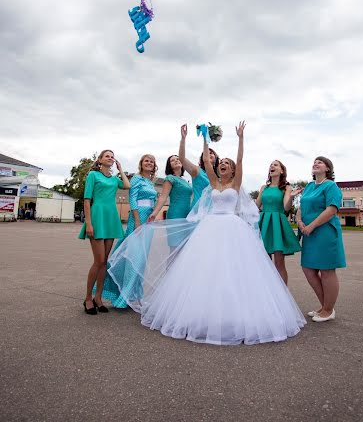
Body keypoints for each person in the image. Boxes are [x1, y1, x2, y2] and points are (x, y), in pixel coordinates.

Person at [108, 123, 305, 345]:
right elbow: (204, 162)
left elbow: (240, 160)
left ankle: (233, 311)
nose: (223, 165)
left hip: (231, 228)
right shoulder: (212, 182)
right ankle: (203, 310)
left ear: (232, 170)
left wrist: (240, 138)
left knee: (232, 269)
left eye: (226, 164)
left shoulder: (236, 182)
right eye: (221, 163)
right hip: (210, 227)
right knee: (205, 269)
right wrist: (202, 140)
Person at [101, 154, 158, 308]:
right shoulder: (137, 179)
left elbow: (153, 201)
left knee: (141, 261)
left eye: (152, 162)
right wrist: (137, 221)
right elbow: (132, 199)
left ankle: (134, 295)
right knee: (135, 259)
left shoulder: (150, 182)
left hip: (149, 221)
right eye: (146, 161)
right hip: (138, 219)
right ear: (141, 163)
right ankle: (123, 297)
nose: (149, 163)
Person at [78, 150, 130, 315]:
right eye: (107, 155)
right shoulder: (93, 175)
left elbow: (127, 186)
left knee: (105, 261)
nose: (110, 158)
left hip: (111, 218)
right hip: (97, 216)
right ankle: (87, 298)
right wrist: (88, 223)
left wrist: (120, 169)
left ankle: (98, 298)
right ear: (100, 160)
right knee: (98, 261)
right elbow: (87, 200)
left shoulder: (115, 179)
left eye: (112, 156)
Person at [297, 156, 346, 322]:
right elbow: (301, 207)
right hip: (309, 233)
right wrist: (300, 222)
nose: (316, 163)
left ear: (327, 168)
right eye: (314, 162)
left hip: (324, 231)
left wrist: (311, 226)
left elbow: (332, 209)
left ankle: (328, 309)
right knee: (308, 269)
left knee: (326, 270)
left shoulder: (331, 186)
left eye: (320, 162)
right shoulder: (309, 186)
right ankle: (325, 305)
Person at [256, 160, 302, 284]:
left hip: (277, 225)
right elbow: (256, 206)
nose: (272, 166)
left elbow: (286, 208)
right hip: (264, 224)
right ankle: (268, 293)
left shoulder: (286, 188)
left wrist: (291, 197)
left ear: (281, 171)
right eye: (271, 164)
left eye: (275, 165)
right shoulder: (263, 187)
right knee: (264, 262)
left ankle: (283, 297)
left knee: (279, 263)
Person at [148, 155, 193, 252]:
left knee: (184, 248)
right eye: (173, 160)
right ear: (170, 166)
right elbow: (163, 197)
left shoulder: (185, 180)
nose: (176, 161)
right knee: (175, 248)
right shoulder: (170, 178)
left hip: (187, 216)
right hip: (175, 215)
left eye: (178, 159)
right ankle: (170, 268)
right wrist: (155, 213)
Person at [178, 124, 219, 204]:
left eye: (212, 153)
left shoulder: (219, 175)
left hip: (215, 210)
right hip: (198, 210)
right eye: (207, 153)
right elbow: (182, 159)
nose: (209, 154)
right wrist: (183, 139)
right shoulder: (197, 171)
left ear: (216, 157)